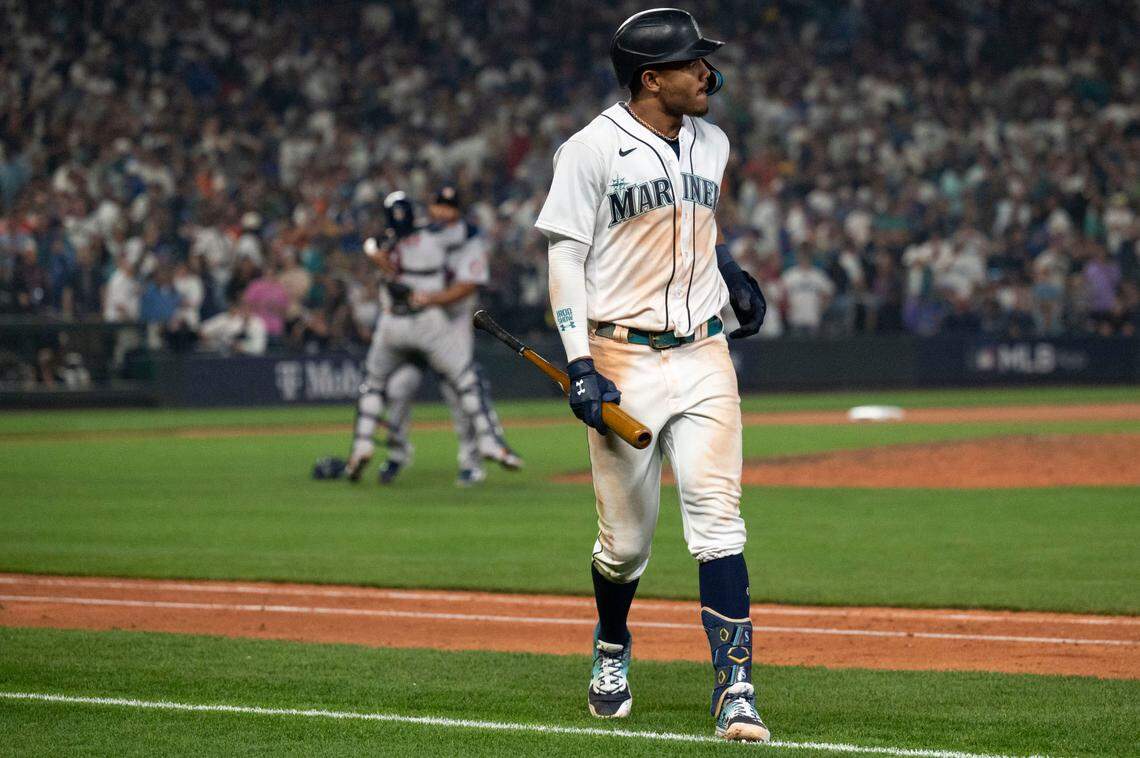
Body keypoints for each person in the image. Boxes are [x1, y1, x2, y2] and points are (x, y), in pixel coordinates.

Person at [534, 8, 769, 743]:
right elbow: (566, 257)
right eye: (692, 64)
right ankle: (611, 646)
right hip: (622, 356)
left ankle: (735, 689)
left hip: (704, 353)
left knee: (719, 521)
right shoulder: (590, 150)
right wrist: (579, 364)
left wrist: (729, 271)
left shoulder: (715, 142)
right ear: (651, 78)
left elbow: (698, 225)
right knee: (626, 546)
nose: (706, 73)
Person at [313, 191, 518, 483]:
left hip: (397, 322)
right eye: (439, 206)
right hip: (428, 320)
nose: (442, 212)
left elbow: (372, 241)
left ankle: (363, 445)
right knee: (462, 381)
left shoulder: (387, 242)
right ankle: (488, 442)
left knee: (376, 385)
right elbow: (468, 231)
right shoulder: (434, 234)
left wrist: (372, 250)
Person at [378, 186, 523, 487]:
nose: (443, 211)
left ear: (458, 211)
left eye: (450, 206)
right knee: (400, 386)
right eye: (438, 205)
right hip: (417, 320)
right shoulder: (421, 234)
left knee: (457, 393)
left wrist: (429, 299)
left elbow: (467, 286)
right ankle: (397, 453)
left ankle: (471, 462)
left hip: (453, 319)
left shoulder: (469, 240)